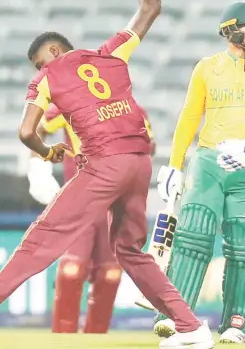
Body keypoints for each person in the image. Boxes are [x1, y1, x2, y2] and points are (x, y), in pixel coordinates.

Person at [0, 0, 214, 348]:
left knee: (44, 236)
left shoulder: (46, 78)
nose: (37, 69)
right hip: (140, 164)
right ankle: (191, 327)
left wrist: (46, 153)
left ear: (51, 51)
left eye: (37, 61)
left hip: (103, 166)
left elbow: (26, 131)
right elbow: (151, 7)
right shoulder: (110, 53)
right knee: (130, 250)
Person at [154, 1, 245, 344]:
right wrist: (174, 164)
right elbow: (189, 116)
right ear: (230, 30)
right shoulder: (207, 67)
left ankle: (238, 324)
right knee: (192, 236)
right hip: (209, 161)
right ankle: (177, 317)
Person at [34, 104, 156, 334]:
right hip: (81, 198)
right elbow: (39, 128)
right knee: (73, 268)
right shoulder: (72, 104)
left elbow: (150, 145)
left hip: (116, 204)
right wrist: (38, 167)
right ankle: (63, 335)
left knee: (110, 273)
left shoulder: (133, 110)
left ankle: (96, 337)